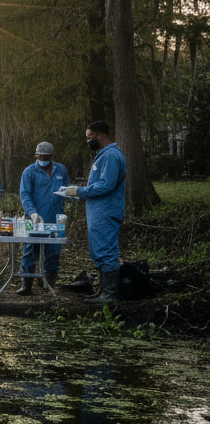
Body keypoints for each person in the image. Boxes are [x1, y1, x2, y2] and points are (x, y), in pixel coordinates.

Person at [59, 121, 126, 303]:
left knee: (107, 251)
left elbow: (107, 184)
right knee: (99, 251)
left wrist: (79, 191)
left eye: (89, 138)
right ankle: (103, 291)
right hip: (97, 211)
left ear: (100, 135)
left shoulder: (111, 155)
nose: (88, 141)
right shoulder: (102, 155)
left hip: (106, 210)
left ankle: (110, 294)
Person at [16, 141, 71, 295]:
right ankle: (26, 285)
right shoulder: (29, 172)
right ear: (36, 156)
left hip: (55, 217)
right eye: (39, 157)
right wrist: (32, 212)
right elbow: (24, 194)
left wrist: (68, 199)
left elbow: (66, 190)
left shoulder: (61, 170)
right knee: (29, 251)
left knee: (53, 251)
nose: (42, 159)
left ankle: (49, 283)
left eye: (45, 157)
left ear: (51, 156)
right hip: (33, 218)